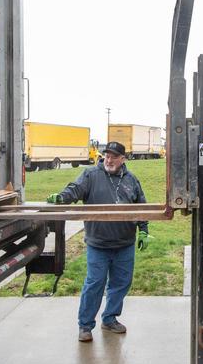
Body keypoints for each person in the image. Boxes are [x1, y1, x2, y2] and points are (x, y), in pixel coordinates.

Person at [47, 141, 153, 342]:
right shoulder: (91, 175)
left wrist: (144, 231)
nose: (109, 160)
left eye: (114, 156)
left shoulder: (132, 180)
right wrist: (62, 198)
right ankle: (85, 326)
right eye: (107, 155)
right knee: (95, 283)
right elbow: (75, 190)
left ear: (123, 159)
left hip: (125, 244)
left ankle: (110, 318)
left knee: (121, 283)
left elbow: (141, 207)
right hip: (98, 244)